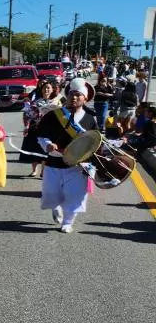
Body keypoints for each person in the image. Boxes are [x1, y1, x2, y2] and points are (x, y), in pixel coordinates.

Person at [36, 78, 99, 234]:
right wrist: (47, 144)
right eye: (71, 94)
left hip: (77, 166)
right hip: (54, 162)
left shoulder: (90, 119)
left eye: (78, 95)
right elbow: (41, 135)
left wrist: (90, 164)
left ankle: (68, 221)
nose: (74, 97)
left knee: (74, 194)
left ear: (85, 98)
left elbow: (95, 143)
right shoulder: (54, 115)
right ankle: (56, 206)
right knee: (51, 193)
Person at [20, 80, 62, 177]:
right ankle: (34, 170)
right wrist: (26, 127)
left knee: (45, 150)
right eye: (45, 88)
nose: (46, 89)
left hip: (49, 129)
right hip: (36, 128)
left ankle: (43, 171)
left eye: (48, 88)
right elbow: (27, 115)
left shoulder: (57, 102)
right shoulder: (35, 102)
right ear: (41, 90)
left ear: (52, 90)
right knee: (34, 149)